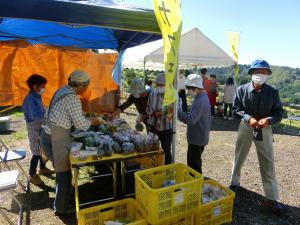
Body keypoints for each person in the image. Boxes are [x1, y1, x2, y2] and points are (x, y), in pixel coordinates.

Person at [40, 70, 101, 215]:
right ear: (80, 86)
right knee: (63, 174)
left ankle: (64, 200)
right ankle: (62, 209)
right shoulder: (73, 98)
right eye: (86, 86)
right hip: (55, 138)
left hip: (47, 135)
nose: (86, 88)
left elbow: (64, 115)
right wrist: (93, 121)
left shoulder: (61, 90)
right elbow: (81, 124)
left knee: (63, 173)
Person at [230, 59, 284, 215]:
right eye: (257, 72)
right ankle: (234, 183)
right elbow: (236, 108)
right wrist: (248, 118)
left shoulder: (273, 92)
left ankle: (272, 198)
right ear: (251, 73)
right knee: (239, 155)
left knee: (267, 161)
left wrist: (269, 120)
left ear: (268, 74)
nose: (260, 74)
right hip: (246, 126)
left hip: (265, 128)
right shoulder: (242, 90)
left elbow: (279, 112)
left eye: (263, 72)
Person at [22, 74, 54, 185]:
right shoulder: (29, 99)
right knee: (36, 152)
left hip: (41, 126)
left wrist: (48, 110)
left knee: (43, 148)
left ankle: (42, 168)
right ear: (35, 86)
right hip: (34, 128)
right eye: (42, 86)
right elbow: (35, 115)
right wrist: (47, 115)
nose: (44, 89)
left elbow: (41, 109)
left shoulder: (36, 96)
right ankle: (32, 175)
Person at [177, 74, 210, 173]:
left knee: (193, 166)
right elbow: (195, 116)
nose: (188, 91)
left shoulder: (200, 100)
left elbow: (191, 120)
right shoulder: (202, 97)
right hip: (200, 136)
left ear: (195, 88)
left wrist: (178, 112)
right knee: (195, 162)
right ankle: (196, 182)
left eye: (189, 89)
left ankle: (196, 184)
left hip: (197, 138)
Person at [146, 73, 173, 164]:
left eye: (162, 85)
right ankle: (154, 167)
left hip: (166, 127)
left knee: (166, 150)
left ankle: (168, 170)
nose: (160, 87)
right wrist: (153, 113)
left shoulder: (170, 95)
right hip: (153, 126)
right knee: (152, 148)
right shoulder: (152, 94)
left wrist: (162, 113)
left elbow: (171, 109)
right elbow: (148, 109)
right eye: (158, 85)